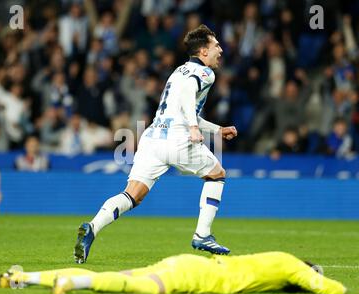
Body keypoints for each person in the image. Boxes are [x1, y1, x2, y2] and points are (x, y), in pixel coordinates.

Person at [73, 25, 238, 264]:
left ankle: (92, 228)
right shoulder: (204, 74)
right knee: (217, 175)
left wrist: (217, 130)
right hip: (178, 138)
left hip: (152, 139)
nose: (220, 50)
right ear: (203, 51)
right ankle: (203, 234)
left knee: (132, 195)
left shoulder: (177, 72)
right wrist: (192, 128)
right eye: (216, 46)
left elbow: (182, 108)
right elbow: (189, 97)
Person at [0, 251, 346, 294]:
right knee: (141, 290)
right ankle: (75, 282)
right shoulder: (288, 265)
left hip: (188, 262)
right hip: (195, 278)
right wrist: (331, 285)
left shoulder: (272, 261)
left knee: (120, 274)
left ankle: (22, 276)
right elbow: (330, 289)